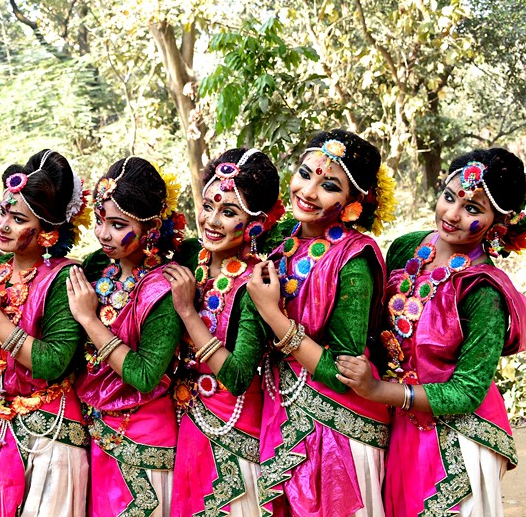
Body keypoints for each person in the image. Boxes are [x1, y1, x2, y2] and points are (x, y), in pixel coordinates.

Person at [337, 148, 526, 516]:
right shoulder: (406, 247)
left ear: (499, 223)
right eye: (449, 196)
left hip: (460, 436)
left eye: (472, 209)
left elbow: (467, 391)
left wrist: (378, 390)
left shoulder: (484, 292)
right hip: (400, 422)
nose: (452, 214)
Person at [247, 129, 397, 516]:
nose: (309, 191)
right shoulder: (280, 239)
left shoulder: (354, 259)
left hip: (337, 432)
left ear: (354, 203)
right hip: (283, 414)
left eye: (329, 186)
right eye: (304, 174)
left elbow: (343, 373)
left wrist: (272, 315)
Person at [0, 149, 91, 516]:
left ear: (48, 233)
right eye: (4, 212)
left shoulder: (65, 278)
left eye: (18, 219)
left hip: (52, 435)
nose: (3, 225)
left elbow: (53, 361)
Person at [166, 148, 283, 515]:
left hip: (233, 435)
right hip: (183, 424)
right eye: (207, 206)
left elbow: (237, 376)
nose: (212, 221)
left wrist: (188, 313)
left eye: (229, 212)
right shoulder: (189, 257)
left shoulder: (256, 283)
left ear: (257, 223)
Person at [66, 156, 186, 516]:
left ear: (152, 227)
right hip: (97, 434)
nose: (103, 233)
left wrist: (89, 320)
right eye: (99, 220)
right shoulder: (97, 267)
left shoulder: (163, 286)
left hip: (144, 441)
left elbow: (145, 375)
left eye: (118, 225)